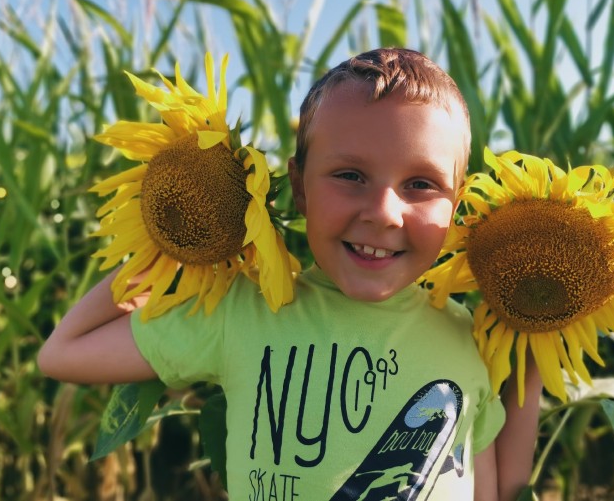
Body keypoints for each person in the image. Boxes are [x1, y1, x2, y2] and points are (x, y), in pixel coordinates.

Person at [39, 48, 542, 500]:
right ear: (299, 188)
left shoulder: (473, 338)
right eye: (350, 176)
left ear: (455, 209)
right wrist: (169, 245)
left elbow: (498, 490)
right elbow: (62, 353)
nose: (384, 212)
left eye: (420, 184)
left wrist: (539, 335)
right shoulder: (243, 311)